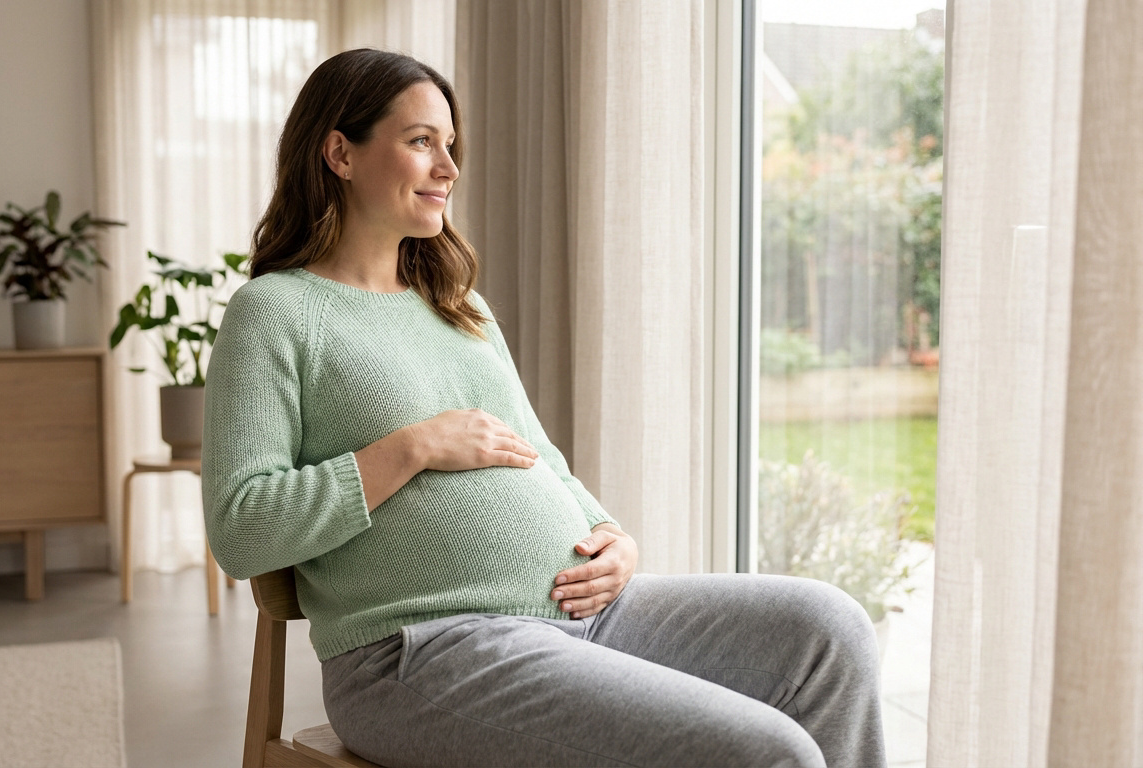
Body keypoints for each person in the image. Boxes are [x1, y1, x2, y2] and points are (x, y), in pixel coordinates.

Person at [202, 48, 886, 768]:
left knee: (829, 631)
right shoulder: (275, 315)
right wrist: (410, 449)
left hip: (588, 615)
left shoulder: (456, 306)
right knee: (768, 753)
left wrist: (606, 530)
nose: (449, 168)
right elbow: (241, 531)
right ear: (340, 152)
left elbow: (537, 456)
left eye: (450, 145)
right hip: (423, 651)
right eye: (420, 141)